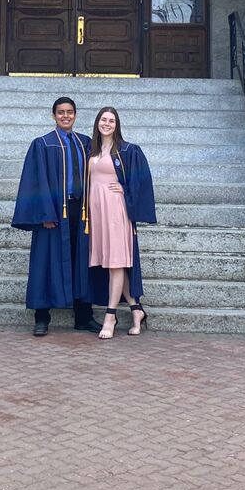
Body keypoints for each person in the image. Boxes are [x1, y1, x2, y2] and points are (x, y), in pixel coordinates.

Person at [11, 97, 102, 337]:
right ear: (53, 115)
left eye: (69, 112)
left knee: (82, 262)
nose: (65, 116)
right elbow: (35, 182)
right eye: (60, 112)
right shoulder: (42, 144)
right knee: (45, 262)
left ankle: (84, 316)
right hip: (53, 213)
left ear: (75, 115)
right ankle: (41, 317)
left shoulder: (86, 143)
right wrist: (44, 214)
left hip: (82, 212)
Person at [87, 107, 157, 340]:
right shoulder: (92, 149)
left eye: (111, 121)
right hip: (96, 213)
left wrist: (125, 189)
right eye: (103, 119)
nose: (107, 123)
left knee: (116, 263)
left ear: (117, 125)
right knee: (110, 263)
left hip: (116, 211)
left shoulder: (127, 150)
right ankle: (137, 311)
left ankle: (110, 316)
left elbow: (142, 181)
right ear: (97, 122)